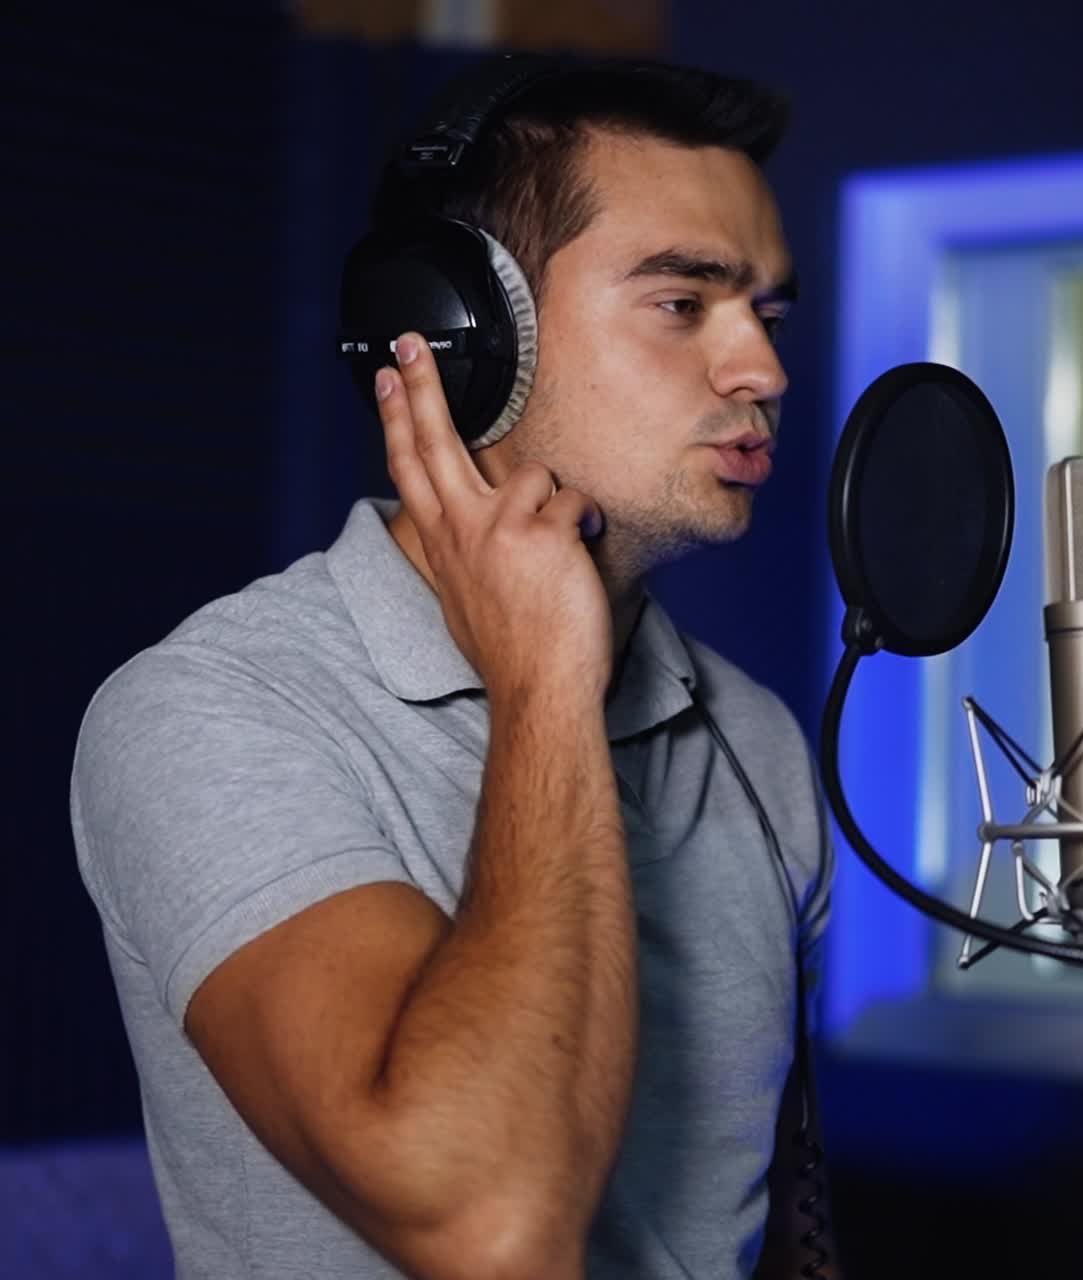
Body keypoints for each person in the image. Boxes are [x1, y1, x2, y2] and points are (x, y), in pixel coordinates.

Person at [70, 52, 839, 1280]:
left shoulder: (752, 743)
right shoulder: (210, 710)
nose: (763, 371)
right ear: (453, 336)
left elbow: (777, 1230)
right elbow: (489, 1222)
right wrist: (545, 685)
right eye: (684, 303)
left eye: (769, 314)